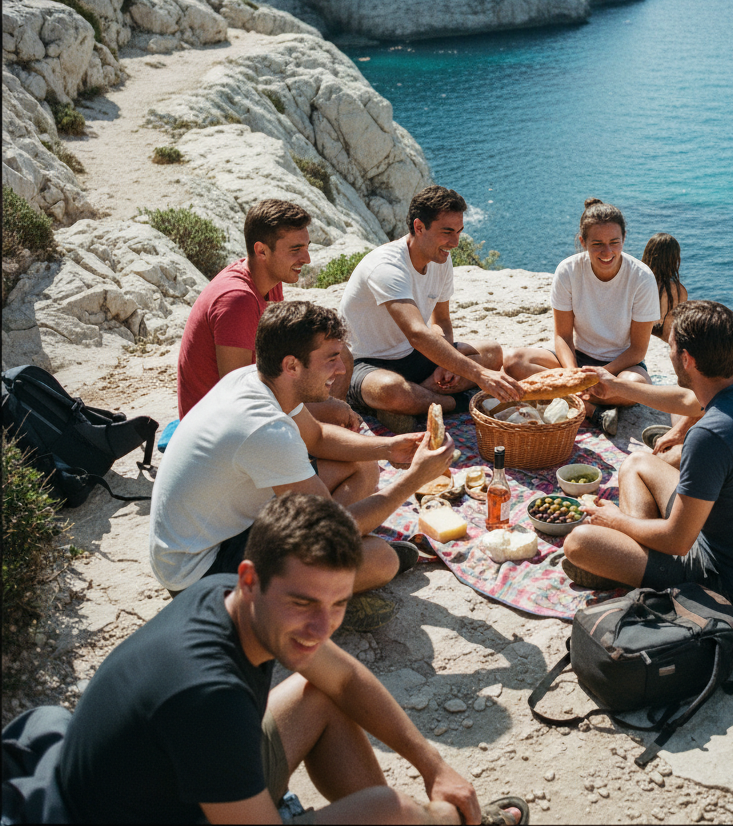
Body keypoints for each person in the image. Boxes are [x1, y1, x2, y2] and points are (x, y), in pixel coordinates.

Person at [16, 493, 526, 824]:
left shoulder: (220, 594)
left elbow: (343, 680)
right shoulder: (206, 697)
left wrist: (433, 766)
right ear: (250, 579)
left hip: (180, 791)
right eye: (303, 602)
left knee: (319, 695)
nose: (322, 626)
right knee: (391, 811)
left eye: (338, 603)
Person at [151, 301, 446, 628]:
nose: (340, 369)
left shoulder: (258, 379)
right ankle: (310, 597)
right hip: (201, 575)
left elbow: (317, 436)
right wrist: (415, 479)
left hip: (222, 531)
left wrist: (389, 448)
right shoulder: (267, 431)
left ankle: (323, 569)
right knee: (381, 560)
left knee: (364, 466)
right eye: (331, 359)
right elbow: (333, 526)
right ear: (292, 365)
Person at [562, 301, 733, 615]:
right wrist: (616, 385)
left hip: (732, 584)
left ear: (686, 359)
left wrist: (616, 521)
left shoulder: (709, 436)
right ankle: (636, 556)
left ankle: (633, 564)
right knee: (636, 463)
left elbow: (678, 541)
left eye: (671, 347)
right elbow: (688, 399)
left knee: (578, 543)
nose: (668, 352)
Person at [341, 185, 522, 433]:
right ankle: (455, 402)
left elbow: (442, 322)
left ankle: (416, 400)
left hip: (414, 356)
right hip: (368, 362)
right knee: (390, 391)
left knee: (492, 352)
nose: (455, 242)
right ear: (419, 227)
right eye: (447, 232)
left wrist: (447, 363)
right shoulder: (386, 266)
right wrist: (478, 376)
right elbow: (416, 332)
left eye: (459, 232)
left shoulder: (440, 259)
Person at [176, 198, 355, 427]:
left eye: (307, 247)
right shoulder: (236, 301)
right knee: (335, 414)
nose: (307, 259)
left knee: (337, 356)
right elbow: (238, 395)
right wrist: (323, 410)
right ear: (261, 251)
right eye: (296, 250)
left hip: (250, 397)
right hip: (220, 426)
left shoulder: (269, 279)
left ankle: (322, 438)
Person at [504, 198, 660, 436]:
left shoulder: (642, 277)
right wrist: (572, 374)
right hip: (575, 358)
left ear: (624, 239)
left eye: (614, 242)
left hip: (622, 365)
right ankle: (590, 409)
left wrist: (599, 376)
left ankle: (569, 400)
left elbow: (638, 350)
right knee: (513, 361)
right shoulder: (568, 271)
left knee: (638, 386)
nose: (607, 252)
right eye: (597, 244)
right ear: (582, 242)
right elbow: (562, 335)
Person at [641, 233, 688, 343]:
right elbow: (672, 328)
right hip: (664, 343)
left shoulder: (638, 283)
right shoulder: (680, 291)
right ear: (674, 259)